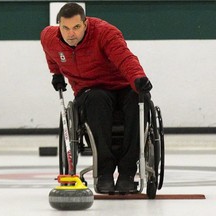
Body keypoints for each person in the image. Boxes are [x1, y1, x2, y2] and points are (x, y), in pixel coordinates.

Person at [40, 2, 152, 194]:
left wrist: (138, 78)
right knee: (97, 98)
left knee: (139, 99)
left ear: (85, 23)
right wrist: (56, 74)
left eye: (76, 27)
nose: (70, 33)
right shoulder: (49, 38)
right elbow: (52, 56)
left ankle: (127, 173)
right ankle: (104, 173)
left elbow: (124, 58)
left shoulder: (105, 33)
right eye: (65, 28)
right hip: (90, 91)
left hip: (122, 86)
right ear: (59, 25)